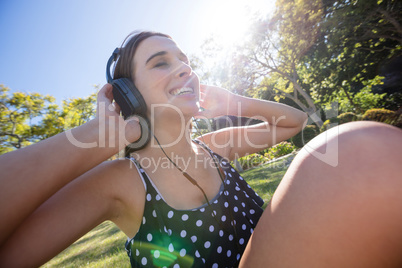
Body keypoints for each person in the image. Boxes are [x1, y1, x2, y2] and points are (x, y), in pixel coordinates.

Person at [0, 31, 401, 268]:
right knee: (357, 151)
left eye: (185, 61)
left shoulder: (214, 147)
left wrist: (235, 103)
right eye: (160, 63)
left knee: (363, 157)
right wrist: (105, 133)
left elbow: (294, 123)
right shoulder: (118, 182)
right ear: (128, 95)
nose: (183, 68)